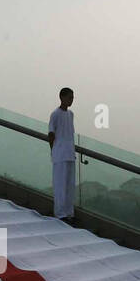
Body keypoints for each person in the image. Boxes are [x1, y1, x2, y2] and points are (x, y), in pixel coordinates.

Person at [47, 87, 77, 222]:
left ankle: (69, 212)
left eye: (72, 97)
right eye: (69, 97)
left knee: (69, 185)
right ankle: (60, 213)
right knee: (60, 184)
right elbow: (51, 133)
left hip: (70, 153)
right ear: (62, 97)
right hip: (60, 154)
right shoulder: (55, 114)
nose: (71, 100)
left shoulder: (71, 115)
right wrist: (53, 151)